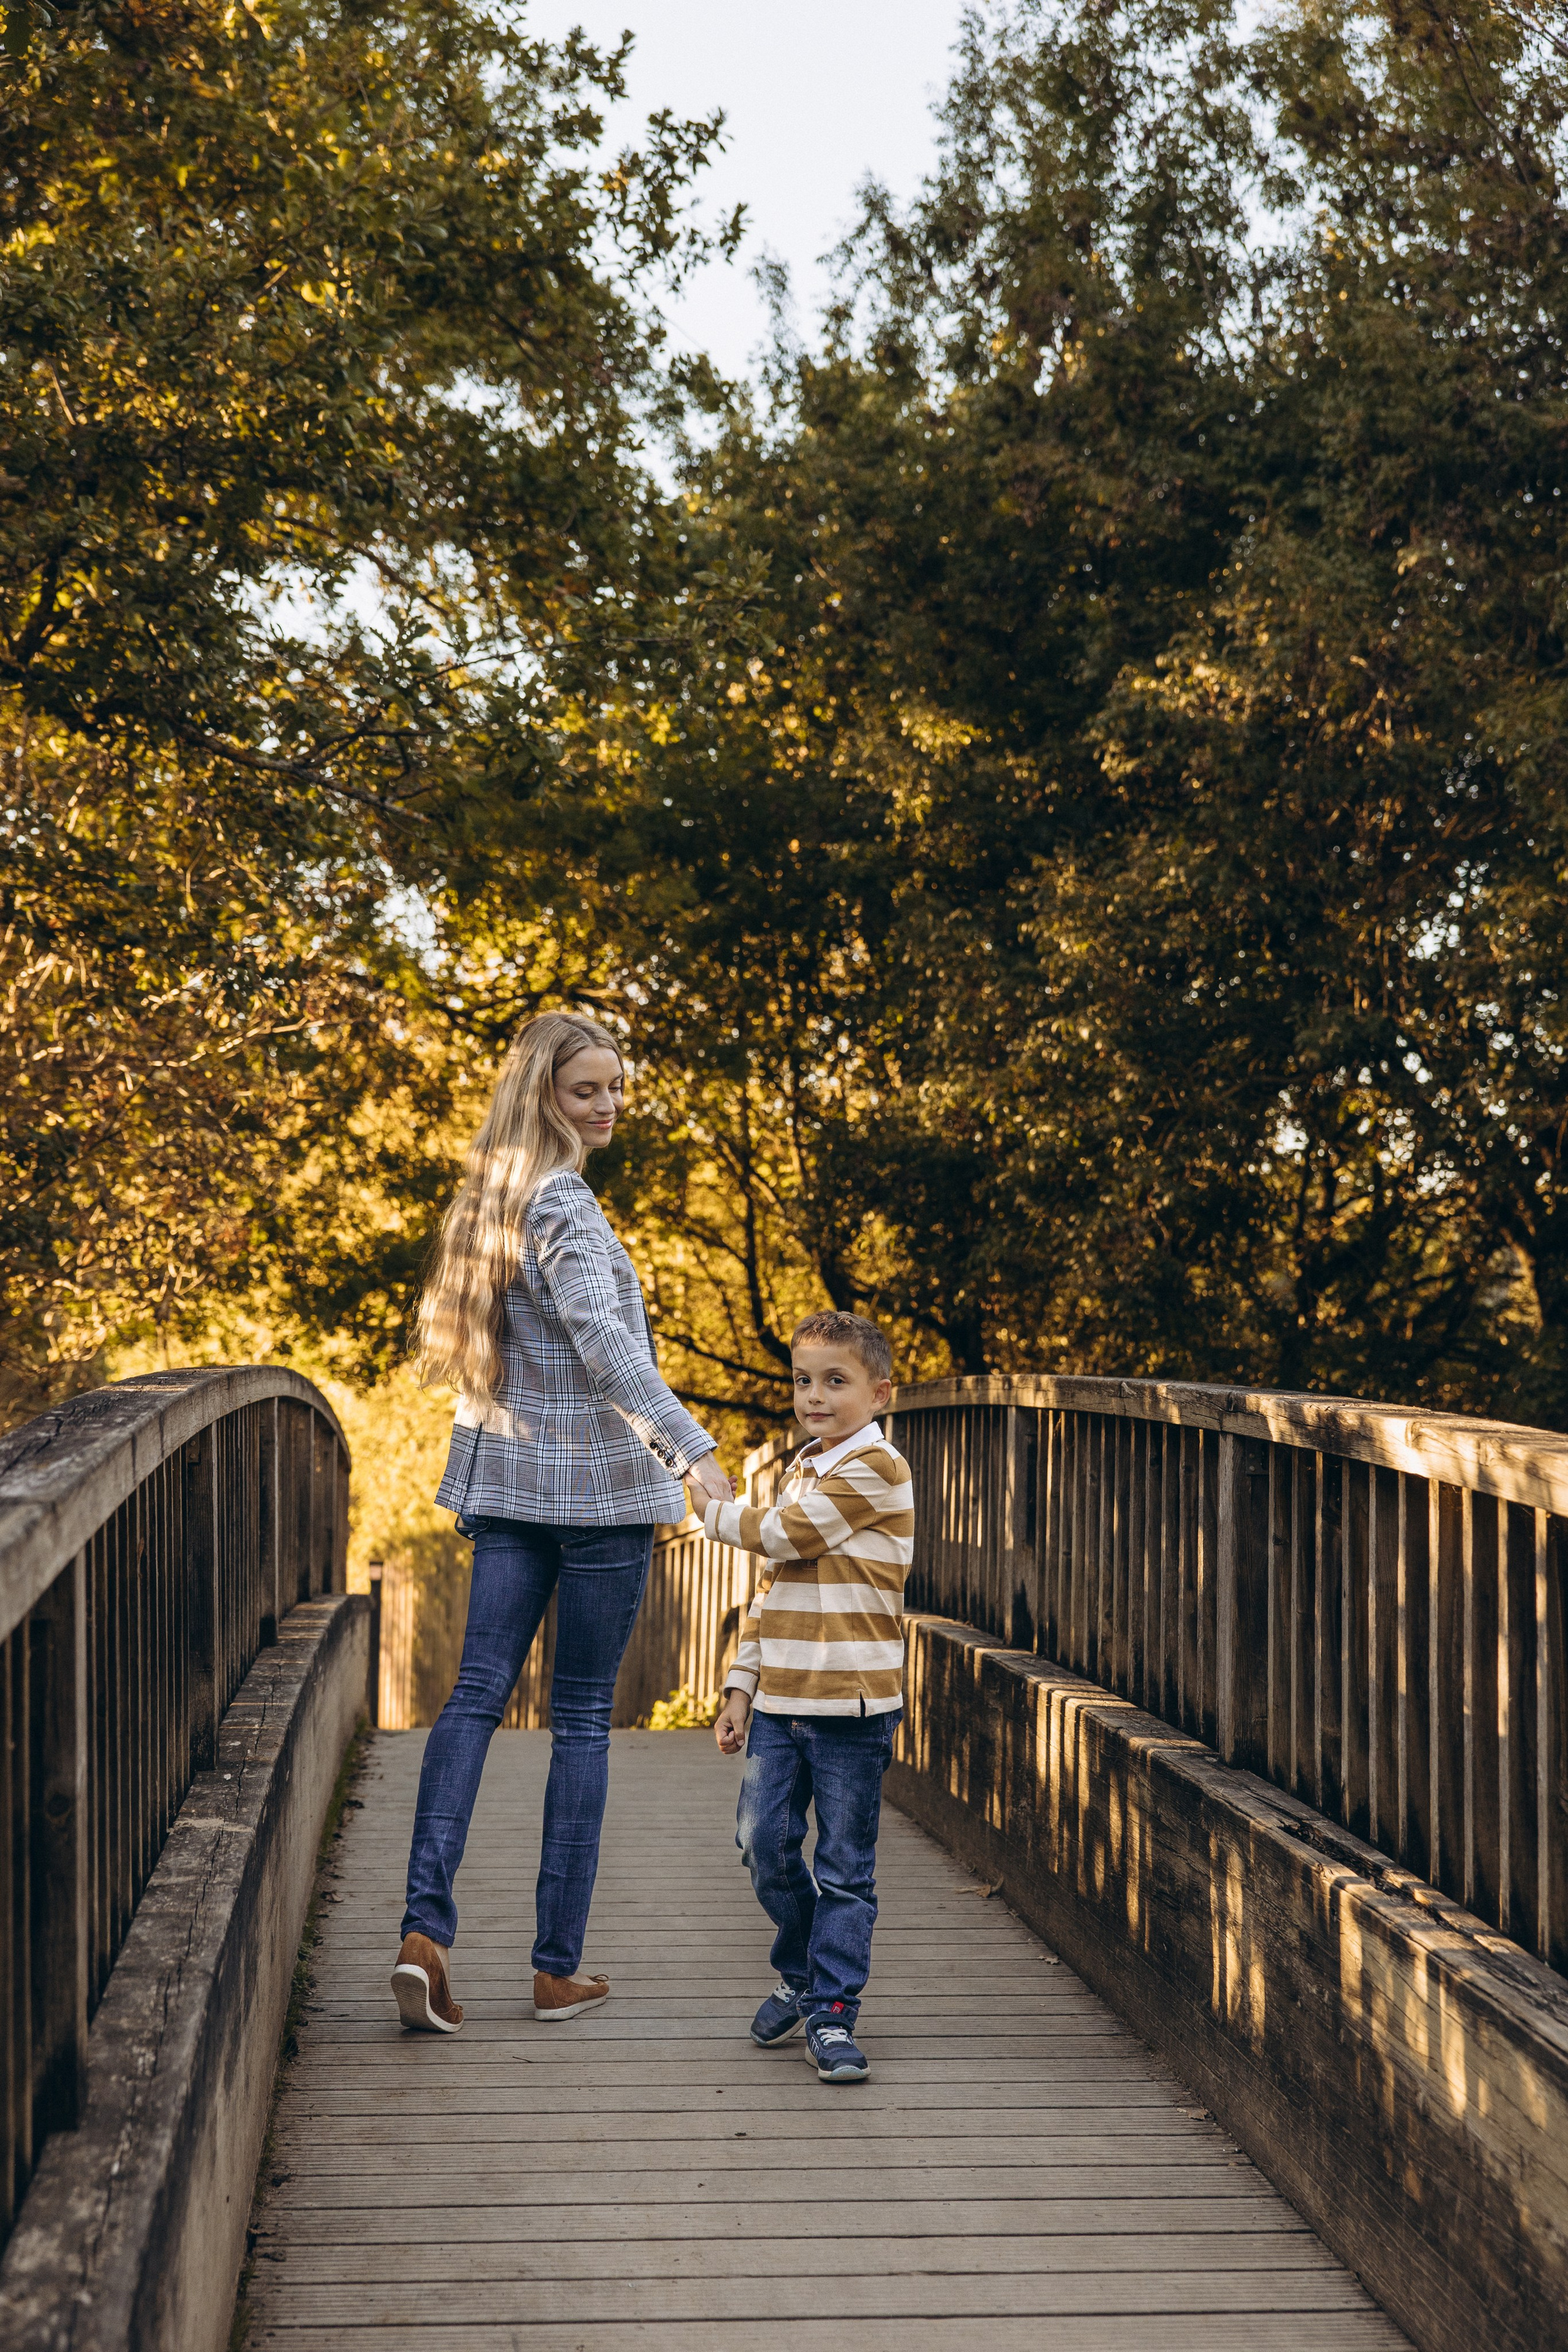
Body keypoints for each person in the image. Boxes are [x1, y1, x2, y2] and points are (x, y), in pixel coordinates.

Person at [390, 1011, 733, 2034]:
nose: (609, 1104)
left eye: (616, 1087)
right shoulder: (566, 1204)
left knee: (473, 1699)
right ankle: (553, 1971)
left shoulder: (490, 1205)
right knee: (580, 1719)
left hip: (509, 1493)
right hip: (601, 1503)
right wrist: (693, 1452)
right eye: (588, 1090)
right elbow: (604, 1343)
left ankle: (423, 1937)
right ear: (543, 1094)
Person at [695, 1311, 914, 2084]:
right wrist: (739, 1688)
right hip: (781, 1704)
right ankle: (803, 1967)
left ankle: (831, 2009)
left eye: (834, 1381)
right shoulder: (800, 1471)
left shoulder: (877, 1467)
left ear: (879, 1393)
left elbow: (790, 1536)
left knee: (846, 1866)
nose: (813, 1396)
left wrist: (709, 1507)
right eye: (802, 1380)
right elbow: (769, 1593)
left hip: (852, 1706)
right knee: (761, 1844)